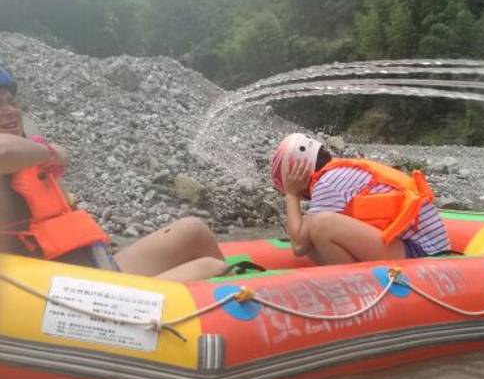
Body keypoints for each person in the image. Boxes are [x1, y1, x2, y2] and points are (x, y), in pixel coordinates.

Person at [0, 65, 228, 281]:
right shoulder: (22, 154)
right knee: (211, 267)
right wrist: (47, 152)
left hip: (95, 271)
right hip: (58, 293)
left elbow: (57, 157)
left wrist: (50, 152)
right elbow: (4, 151)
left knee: (193, 230)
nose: (9, 111)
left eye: (11, 102)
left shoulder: (28, 156)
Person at [270, 133, 450, 264]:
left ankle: (359, 288)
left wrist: (291, 194)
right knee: (312, 230)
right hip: (415, 247)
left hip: (426, 254)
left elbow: (299, 245)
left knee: (321, 225)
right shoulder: (336, 173)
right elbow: (305, 239)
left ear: (299, 172)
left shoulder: (328, 182)